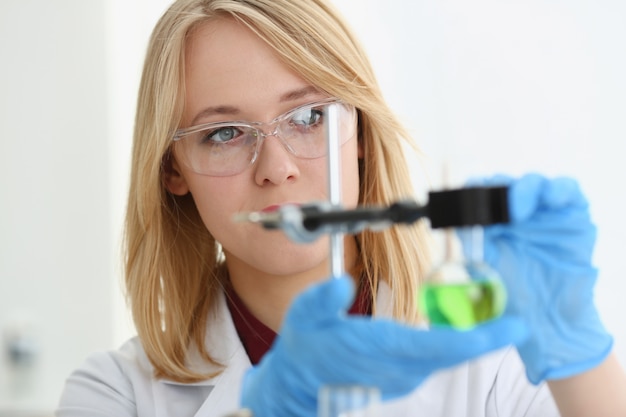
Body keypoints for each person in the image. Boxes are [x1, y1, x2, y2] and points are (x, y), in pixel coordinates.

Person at [56, 1, 626, 416]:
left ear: (360, 134)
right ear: (172, 169)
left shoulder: (493, 359)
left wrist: (583, 361)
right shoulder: (116, 393)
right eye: (225, 132)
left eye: (309, 118)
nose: (275, 167)